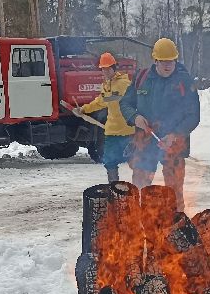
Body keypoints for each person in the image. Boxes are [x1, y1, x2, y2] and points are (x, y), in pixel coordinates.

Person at [119, 37, 200, 210]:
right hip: (145, 142)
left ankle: (177, 225)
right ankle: (139, 225)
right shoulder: (141, 78)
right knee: (140, 188)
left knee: (174, 192)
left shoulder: (184, 81)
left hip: (173, 145)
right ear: (155, 60)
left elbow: (193, 115)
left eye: (170, 60)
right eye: (163, 61)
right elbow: (125, 103)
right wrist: (134, 117)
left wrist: (175, 135)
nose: (167, 65)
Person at [79, 52, 135, 183]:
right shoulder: (106, 85)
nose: (105, 71)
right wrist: (83, 109)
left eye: (108, 68)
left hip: (128, 131)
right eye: (103, 69)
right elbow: (100, 102)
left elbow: (135, 102)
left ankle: (139, 188)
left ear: (114, 68)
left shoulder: (124, 83)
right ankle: (114, 190)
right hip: (111, 132)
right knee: (109, 162)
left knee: (135, 163)